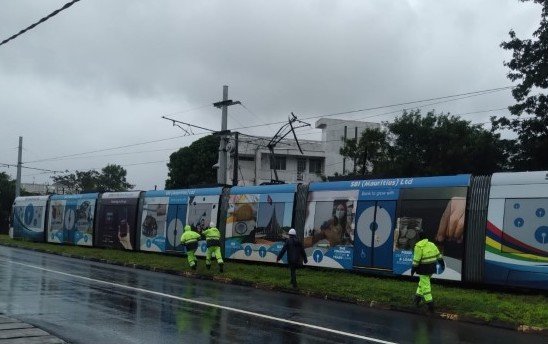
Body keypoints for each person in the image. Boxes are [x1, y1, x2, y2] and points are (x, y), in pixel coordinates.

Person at [411, 230, 444, 313]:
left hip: (423, 269)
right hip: (432, 269)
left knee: (425, 286)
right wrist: (441, 263)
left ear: (418, 238)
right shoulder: (431, 244)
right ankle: (417, 299)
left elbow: (416, 260)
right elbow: (438, 255)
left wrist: (413, 269)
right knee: (422, 283)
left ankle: (430, 304)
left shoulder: (418, 246)